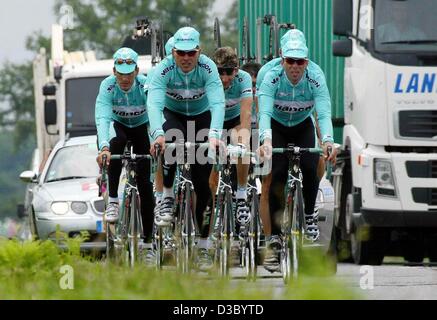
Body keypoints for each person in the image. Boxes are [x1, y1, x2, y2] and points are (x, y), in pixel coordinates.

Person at [257, 29, 337, 271]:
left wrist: (329, 141)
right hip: (277, 126)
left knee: (312, 166)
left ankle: (310, 216)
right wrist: (266, 140)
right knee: (277, 173)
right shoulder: (269, 75)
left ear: (307, 61)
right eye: (290, 61)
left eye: (300, 61)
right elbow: (265, 113)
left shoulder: (316, 76)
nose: (295, 66)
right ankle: (274, 240)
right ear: (282, 59)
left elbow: (322, 113)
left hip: (302, 124)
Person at [147, 27, 225, 270]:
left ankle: (203, 246)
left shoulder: (208, 67)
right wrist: (158, 134)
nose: (186, 58)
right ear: (173, 52)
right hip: (173, 114)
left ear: (199, 51)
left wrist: (213, 136)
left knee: (203, 187)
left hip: (201, 117)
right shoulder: (164, 69)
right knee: (172, 139)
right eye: (181, 53)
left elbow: (218, 102)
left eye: (191, 53)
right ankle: (168, 196)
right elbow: (154, 103)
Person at [95, 47, 155, 243]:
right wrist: (104, 147)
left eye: (129, 74)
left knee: (145, 184)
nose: (125, 79)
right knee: (115, 143)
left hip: (139, 128)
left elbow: (155, 113)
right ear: (114, 72)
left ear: (137, 71)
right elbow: (103, 117)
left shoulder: (145, 84)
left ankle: (148, 240)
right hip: (117, 126)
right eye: (120, 74)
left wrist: (156, 138)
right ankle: (112, 199)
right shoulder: (108, 86)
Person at [208, 47, 253, 233]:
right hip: (211, 123)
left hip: (234, 121)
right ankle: (211, 212)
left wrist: (242, 143)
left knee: (243, 139)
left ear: (237, 70)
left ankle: (241, 194)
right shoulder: (208, 77)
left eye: (229, 72)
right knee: (210, 176)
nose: (225, 78)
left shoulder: (244, 79)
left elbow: (246, 113)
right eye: (220, 72)